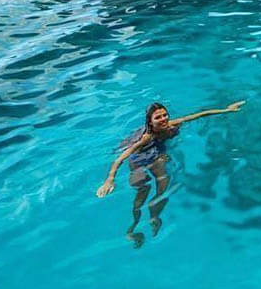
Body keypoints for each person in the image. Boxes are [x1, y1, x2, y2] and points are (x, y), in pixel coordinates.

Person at [96, 100, 245, 242]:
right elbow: (120, 159)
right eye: (158, 117)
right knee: (142, 189)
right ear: (150, 122)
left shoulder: (170, 125)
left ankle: (154, 215)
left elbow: (198, 115)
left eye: (165, 115)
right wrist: (109, 179)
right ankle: (132, 228)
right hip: (138, 160)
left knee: (162, 185)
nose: (163, 119)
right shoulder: (146, 137)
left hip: (157, 156)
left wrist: (227, 109)